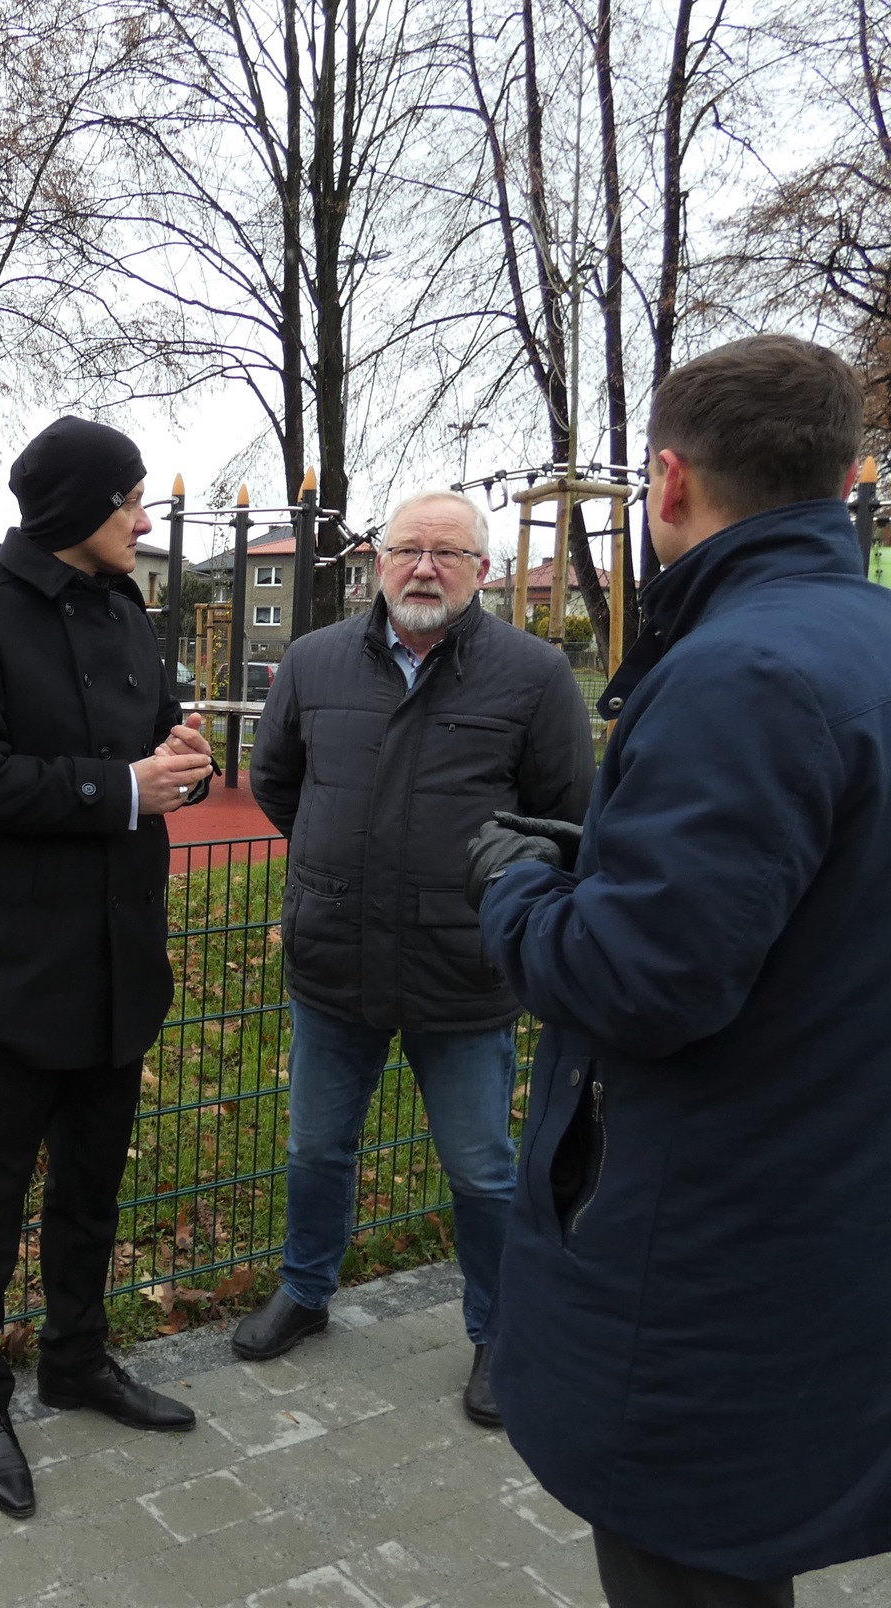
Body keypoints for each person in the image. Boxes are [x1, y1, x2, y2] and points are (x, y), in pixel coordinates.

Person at [468, 334, 891, 1606]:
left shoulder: (739, 670)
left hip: (713, 1251)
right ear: (845, 478)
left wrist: (513, 886)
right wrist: (605, 861)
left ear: (665, 480)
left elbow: (639, 984)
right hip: (834, 1196)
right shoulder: (861, 640)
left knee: (687, 1569)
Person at [0, 416, 217, 1520]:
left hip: (121, 962)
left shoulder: (124, 609)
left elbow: (149, 742)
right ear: (78, 506)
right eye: (128, 499)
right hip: (15, 972)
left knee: (92, 1189)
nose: (143, 518)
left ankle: (75, 1360)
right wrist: (122, 788)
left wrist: (181, 758)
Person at [235, 489, 594, 1426]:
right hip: (335, 956)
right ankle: (305, 1290)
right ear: (378, 561)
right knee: (317, 1146)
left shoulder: (533, 674)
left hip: (463, 964)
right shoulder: (313, 661)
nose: (424, 568)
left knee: (481, 1169)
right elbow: (277, 780)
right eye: (407, 550)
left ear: (483, 571)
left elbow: (563, 817)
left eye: (448, 553)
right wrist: (335, 864)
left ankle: (499, 1331)